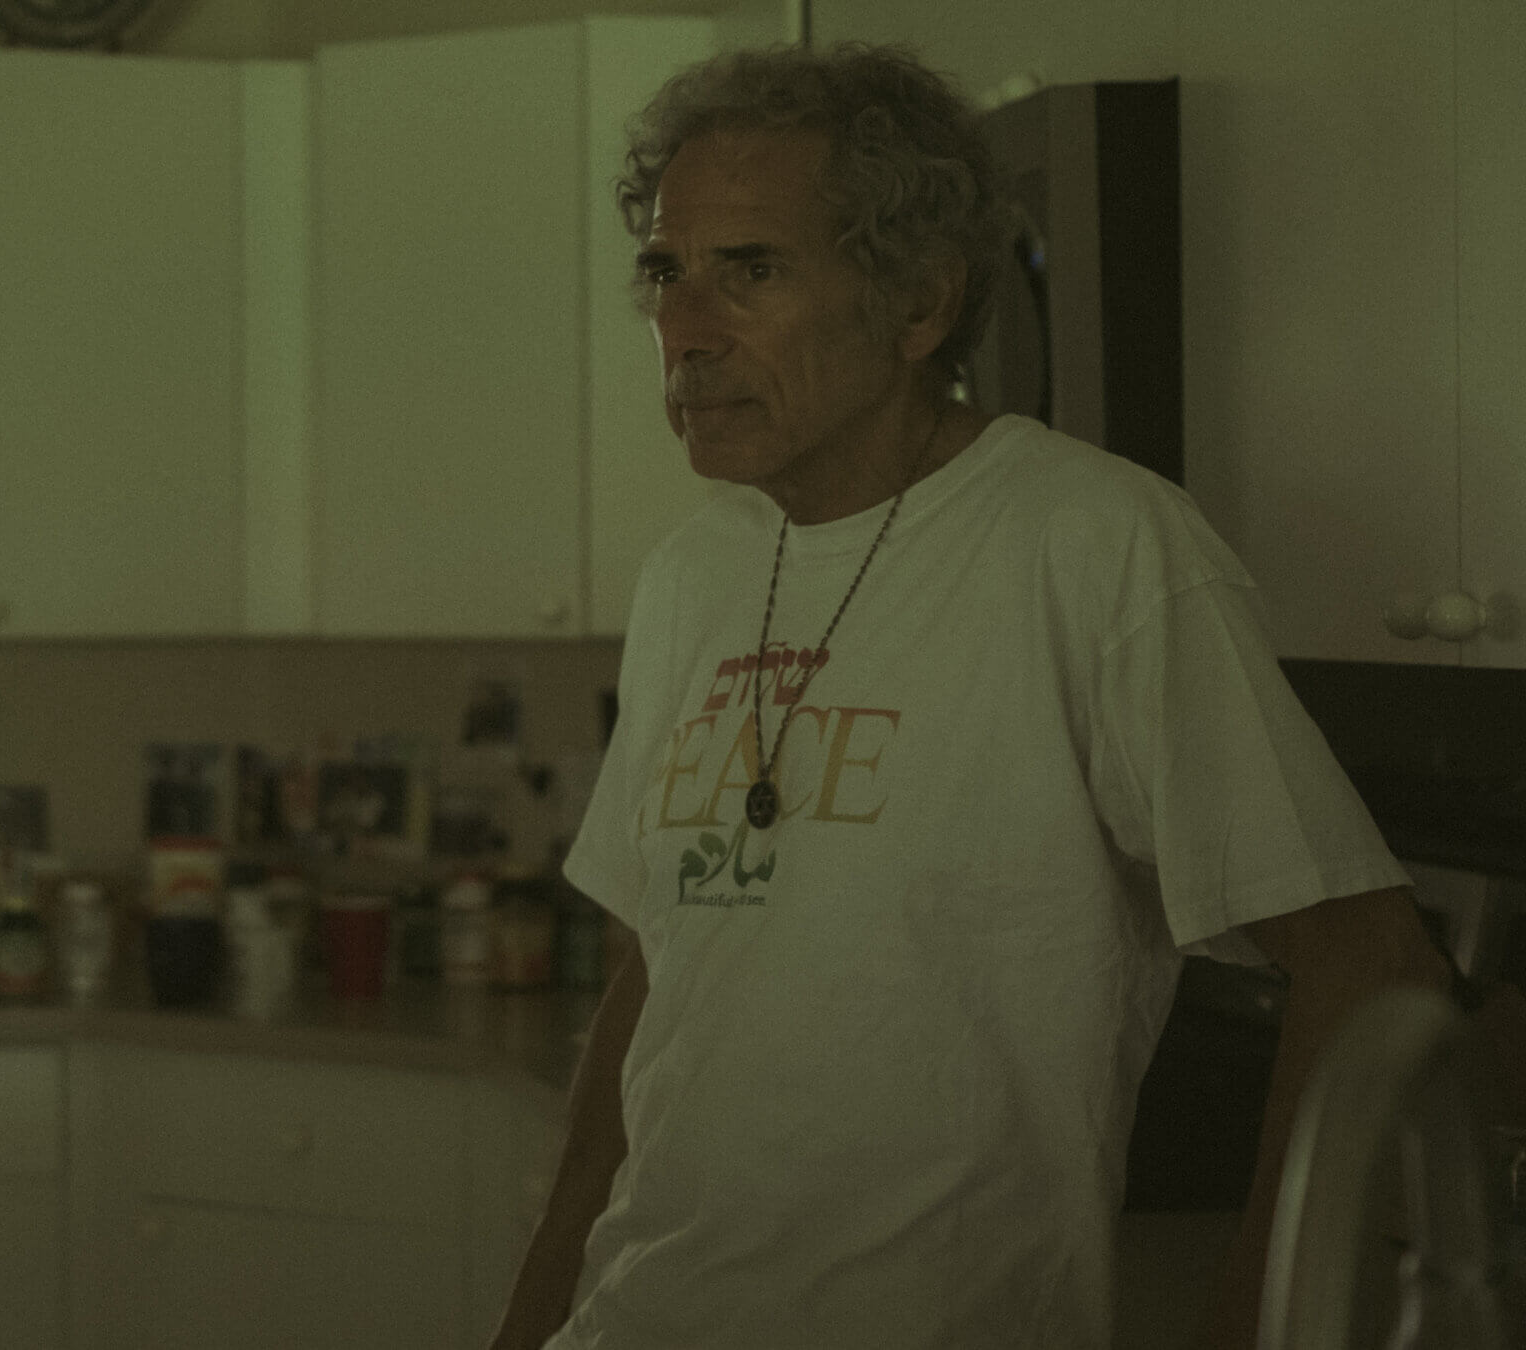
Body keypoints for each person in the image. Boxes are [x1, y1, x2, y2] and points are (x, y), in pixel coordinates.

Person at [489, 41, 1453, 1350]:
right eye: (667, 269)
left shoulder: (1097, 546)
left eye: (750, 270)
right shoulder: (691, 572)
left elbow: (1368, 959)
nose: (685, 327)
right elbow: (655, 975)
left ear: (919, 302)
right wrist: (530, 1319)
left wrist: (1258, 1324)